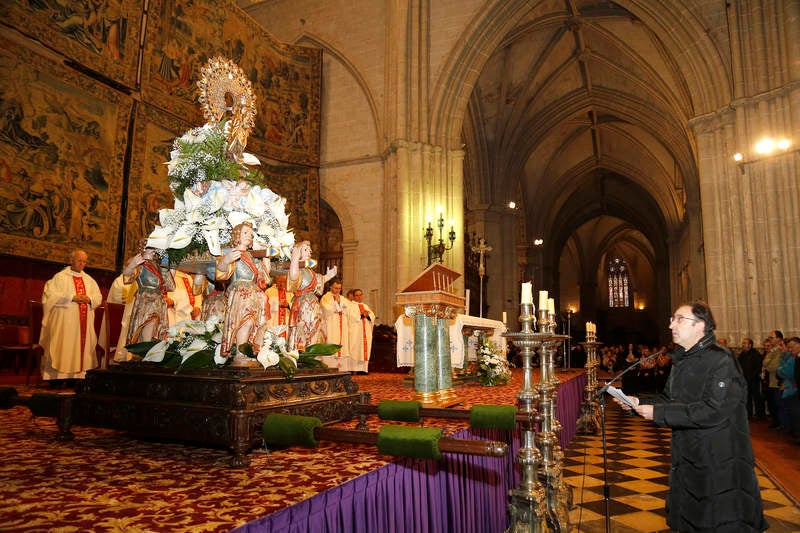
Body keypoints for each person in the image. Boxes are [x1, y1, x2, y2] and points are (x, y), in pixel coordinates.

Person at [614, 302, 767, 532]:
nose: (671, 324)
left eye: (678, 319)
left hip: (718, 458)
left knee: (718, 520)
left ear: (700, 326)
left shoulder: (721, 360)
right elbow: (669, 399)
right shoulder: (683, 360)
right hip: (689, 454)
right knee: (693, 518)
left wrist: (659, 413)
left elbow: (714, 410)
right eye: (671, 318)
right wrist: (638, 403)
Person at [40, 249, 104, 385]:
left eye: (84, 261)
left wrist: (89, 299)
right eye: (79, 260)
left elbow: (98, 297)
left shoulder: (89, 280)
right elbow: (50, 296)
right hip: (64, 323)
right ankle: (57, 378)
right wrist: (72, 297)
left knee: (80, 348)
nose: (82, 264)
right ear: (71, 260)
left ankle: (76, 377)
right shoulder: (59, 277)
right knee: (63, 345)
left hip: (83, 324)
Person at [216, 221, 271, 357]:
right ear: (237, 235)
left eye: (251, 234)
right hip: (240, 293)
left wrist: (267, 255)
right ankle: (241, 354)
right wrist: (226, 260)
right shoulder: (232, 253)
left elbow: (265, 275)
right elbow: (221, 272)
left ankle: (245, 352)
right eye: (245, 233)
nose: (249, 236)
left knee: (252, 323)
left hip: (253, 295)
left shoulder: (252, 257)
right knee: (244, 322)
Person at [122, 246, 175, 345]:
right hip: (146, 300)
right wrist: (132, 265)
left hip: (158, 300)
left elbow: (169, 286)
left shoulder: (158, 265)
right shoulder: (140, 263)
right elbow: (127, 277)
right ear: (143, 248)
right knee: (148, 323)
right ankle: (145, 351)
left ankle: (149, 352)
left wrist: (171, 267)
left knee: (155, 327)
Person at [320, 280, 349, 369]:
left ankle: (342, 369)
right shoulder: (326, 298)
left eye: (339, 288)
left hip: (342, 326)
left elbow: (347, 310)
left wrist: (339, 303)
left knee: (342, 345)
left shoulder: (343, 298)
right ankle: (330, 368)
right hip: (331, 325)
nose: (338, 290)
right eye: (336, 288)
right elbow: (326, 310)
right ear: (330, 287)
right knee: (331, 342)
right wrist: (336, 303)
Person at [776, 336, 800, 444]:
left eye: (791, 347)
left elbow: (786, 372)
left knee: (796, 414)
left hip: (793, 389)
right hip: (795, 389)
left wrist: (780, 369)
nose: (790, 350)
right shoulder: (795, 357)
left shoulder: (793, 358)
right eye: (789, 348)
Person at [346, 288, 375, 373]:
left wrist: (368, 316)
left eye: (360, 295)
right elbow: (351, 317)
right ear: (353, 296)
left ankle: (363, 370)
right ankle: (353, 369)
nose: (359, 297)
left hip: (365, 331)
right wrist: (362, 315)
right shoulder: (351, 306)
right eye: (357, 295)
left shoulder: (365, 306)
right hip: (356, 332)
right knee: (355, 349)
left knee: (364, 349)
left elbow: (372, 316)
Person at [738, 337, 765, 419]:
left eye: (745, 343)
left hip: (754, 380)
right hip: (745, 380)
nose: (743, 345)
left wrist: (753, 376)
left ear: (750, 345)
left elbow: (759, 367)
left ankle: (760, 415)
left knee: (757, 398)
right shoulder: (742, 354)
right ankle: (749, 415)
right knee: (747, 398)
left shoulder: (755, 354)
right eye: (743, 343)